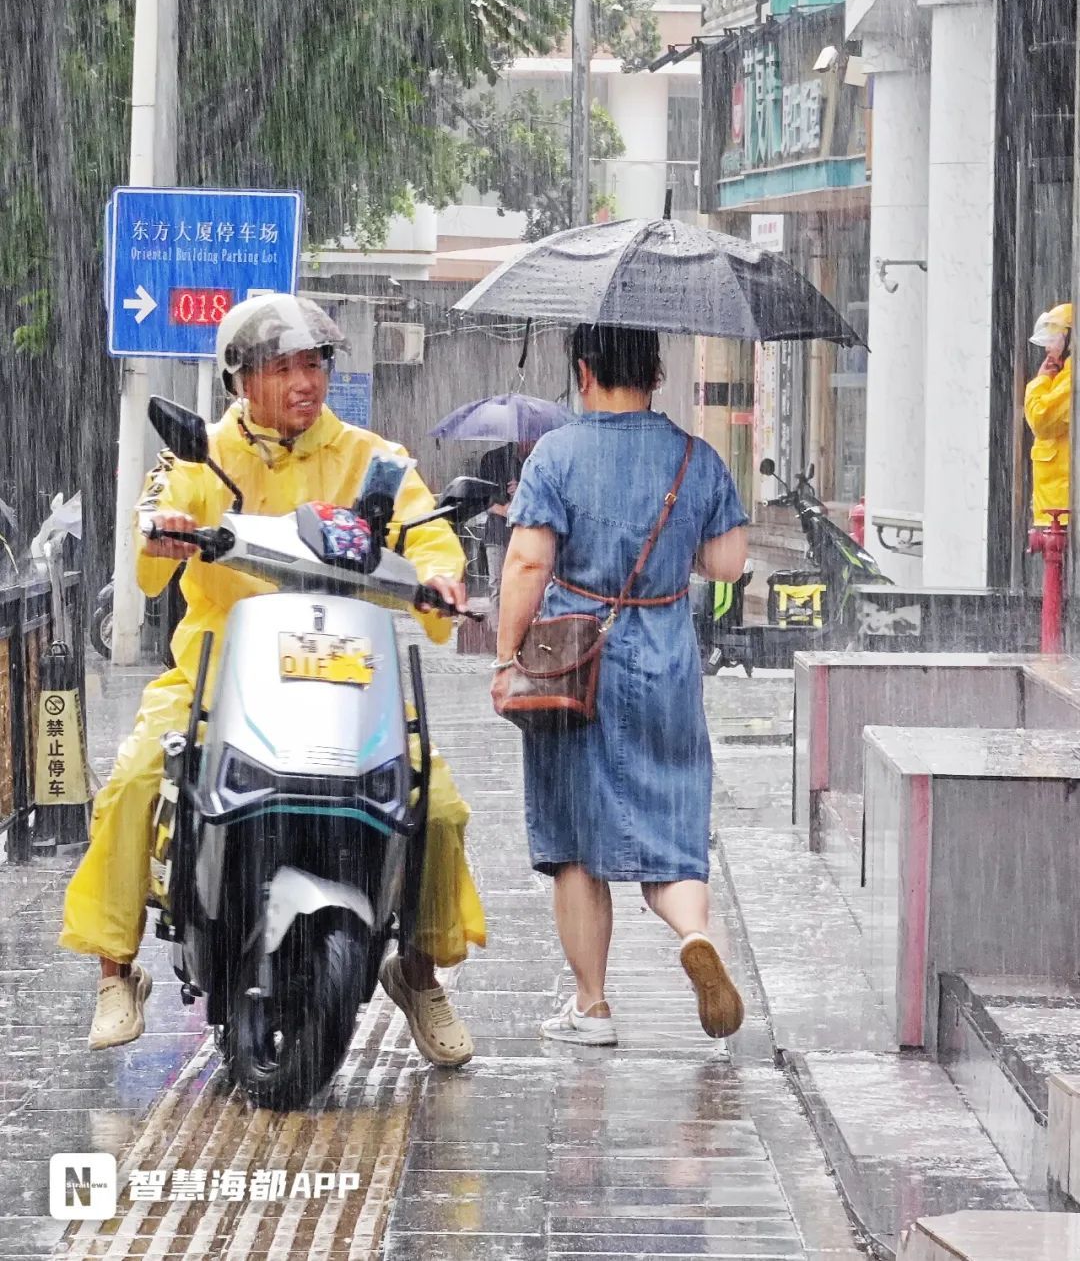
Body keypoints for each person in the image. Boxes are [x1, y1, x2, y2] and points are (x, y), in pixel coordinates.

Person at [60, 294, 484, 1067]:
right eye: (282, 367)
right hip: (220, 668)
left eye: (313, 364)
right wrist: (168, 533)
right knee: (130, 782)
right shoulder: (201, 454)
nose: (304, 382)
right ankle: (116, 971)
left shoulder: (373, 458)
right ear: (240, 380)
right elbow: (152, 539)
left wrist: (441, 578)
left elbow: (428, 535)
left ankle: (417, 971)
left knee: (439, 805)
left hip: (344, 668)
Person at [490, 323, 748, 1047]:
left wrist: (508, 656)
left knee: (576, 840)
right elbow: (728, 563)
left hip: (575, 664)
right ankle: (695, 934)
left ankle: (592, 1005)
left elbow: (527, 565)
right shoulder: (695, 457)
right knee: (670, 822)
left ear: (584, 370)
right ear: (656, 374)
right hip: (665, 657)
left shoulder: (557, 453)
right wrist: (667, 550)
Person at [1025, 302, 1072, 527]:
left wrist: (1040, 381)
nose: (1047, 348)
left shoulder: (1071, 377)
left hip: (1062, 511)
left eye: (1053, 339)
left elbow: (1041, 420)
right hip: (1059, 510)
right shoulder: (1064, 376)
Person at [478, 441, 534, 610]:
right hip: (498, 533)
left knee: (526, 586)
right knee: (498, 586)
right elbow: (481, 499)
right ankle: (498, 633)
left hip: (527, 533)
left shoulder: (537, 461)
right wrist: (504, 509)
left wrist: (523, 491)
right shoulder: (494, 460)